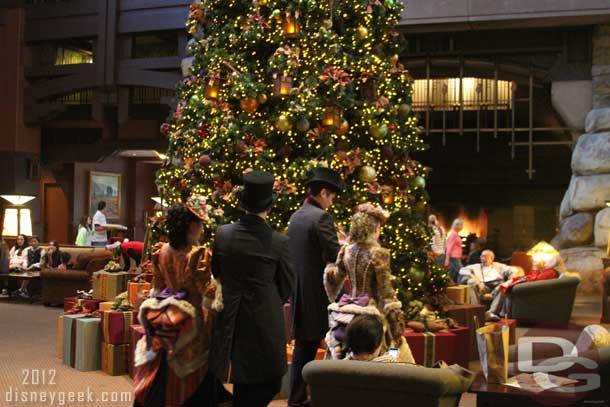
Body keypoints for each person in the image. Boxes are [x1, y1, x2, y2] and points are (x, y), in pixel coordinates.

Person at [134, 198, 231, 407]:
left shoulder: (162, 251)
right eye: (200, 223)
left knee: (165, 361)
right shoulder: (198, 255)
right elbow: (207, 292)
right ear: (192, 225)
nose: (202, 228)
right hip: (192, 319)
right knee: (195, 363)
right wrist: (219, 302)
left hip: (169, 313)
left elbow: (157, 288)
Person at [210, 171, 295, 407]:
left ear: (243, 204)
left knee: (244, 382)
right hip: (264, 321)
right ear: (269, 207)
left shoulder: (223, 234)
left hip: (231, 319)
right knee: (265, 384)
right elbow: (287, 286)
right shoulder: (279, 242)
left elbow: (216, 271)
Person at [324, 203, 414, 363]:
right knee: (394, 344)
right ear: (374, 228)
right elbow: (386, 293)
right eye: (379, 227)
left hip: (347, 311)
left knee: (338, 346)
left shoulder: (346, 251)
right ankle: (391, 372)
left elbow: (335, 277)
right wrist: (395, 321)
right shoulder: (378, 254)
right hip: (372, 313)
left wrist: (328, 273)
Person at [287, 166, 345, 407]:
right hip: (318, 294)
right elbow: (335, 254)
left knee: (304, 347)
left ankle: (296, 397)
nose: (331, 201)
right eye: (331, 196)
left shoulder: (297, 215)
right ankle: (318, 398)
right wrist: (346, 244)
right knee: (333, 344)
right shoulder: (321, 217)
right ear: (323, 192)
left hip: (299, 291)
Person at [486, 253, 561, 321]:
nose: (545, 262)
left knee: (505, 287)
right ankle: (494, 310)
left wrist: (535, 267)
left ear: (552, 262)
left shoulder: (550, 272)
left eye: (547, 261)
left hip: (529, 288)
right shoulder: (549, 271)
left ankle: (493, 311)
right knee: (504, 286)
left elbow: (535, 280)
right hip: (529, 286)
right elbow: (534, 278)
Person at [444, 219, 464, 283]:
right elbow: (449, 246)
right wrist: (447, 258)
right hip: (454, 256)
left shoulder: (455, 234)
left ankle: (447, 284)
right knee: (461, 271)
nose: (461, 226)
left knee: (452, 272)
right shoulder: (453, 235)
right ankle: (459, 285)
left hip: (456, 256)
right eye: (461, 225)